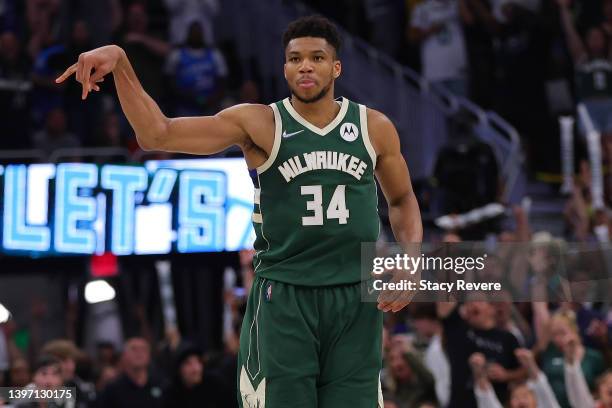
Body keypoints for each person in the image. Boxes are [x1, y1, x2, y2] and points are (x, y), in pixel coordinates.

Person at [56, 14, 423, 408]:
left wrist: (412, 257)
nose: (305, 66)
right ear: (284, 67)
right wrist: (121, 62)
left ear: (336, 67)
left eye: (317, 58)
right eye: (295, 58)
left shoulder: (373, 127)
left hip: (354, 295)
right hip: (285, 295)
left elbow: (401, 200)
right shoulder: (259, 123)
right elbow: (156, 134)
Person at [96, 337, 166, 408]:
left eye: (143, 349)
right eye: (134, 349)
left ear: (149, 356)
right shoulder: (112, 389)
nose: (139, 353)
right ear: (124, 355)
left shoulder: (161, 385)